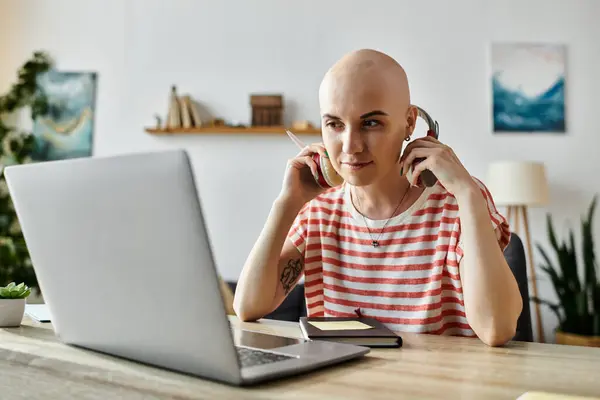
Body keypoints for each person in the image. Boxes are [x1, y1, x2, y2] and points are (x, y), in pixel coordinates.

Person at [233, 49, 523, 347]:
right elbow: (248, 306)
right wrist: (286, 204)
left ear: (410, 123)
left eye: (370, 123)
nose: (351, 146)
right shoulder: (318, 210)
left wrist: (467, 194)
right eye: (334, 124)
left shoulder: (459, 202)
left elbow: (496, 328)